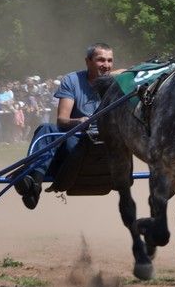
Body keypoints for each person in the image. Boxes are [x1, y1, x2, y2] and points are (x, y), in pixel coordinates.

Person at [14, 43, 116, 209]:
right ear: (88, 61)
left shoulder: (116, 83)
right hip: (76, 141)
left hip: (103, 145)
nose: (106, 65)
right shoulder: (72, 80)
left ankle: (29, 179)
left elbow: (128, 72)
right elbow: (62, 120)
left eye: (110, 60)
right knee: (47, 128)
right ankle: (35, 184)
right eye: (101, 60)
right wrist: (79, 122)